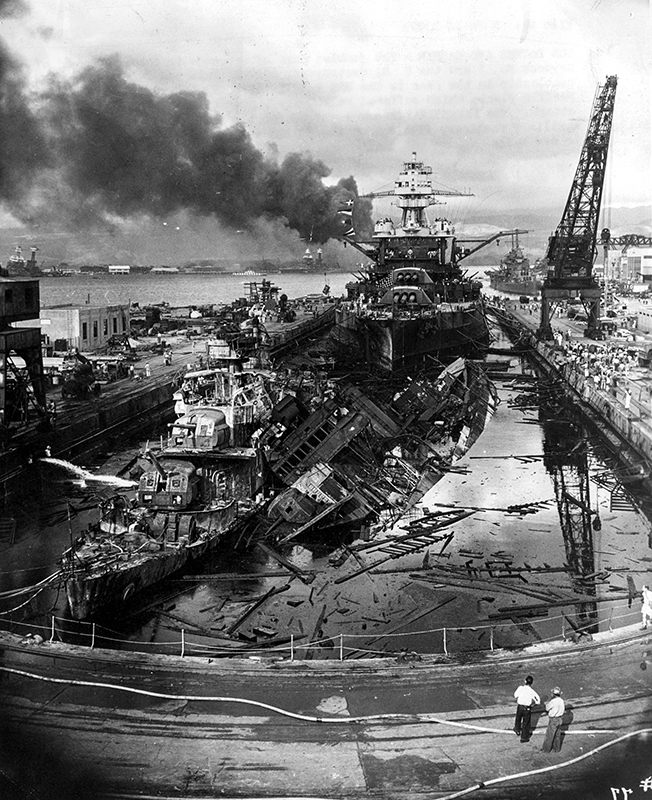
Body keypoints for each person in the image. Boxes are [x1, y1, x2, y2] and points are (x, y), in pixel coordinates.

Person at [513, 675, 540, 742]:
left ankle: (517, 729)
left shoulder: (520, 688)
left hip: (520, 706)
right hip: (527, 708)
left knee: (518, 718)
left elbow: (515, 695)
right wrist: (532, 706)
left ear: (525, 681)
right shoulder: (532, 691)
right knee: (526, 723)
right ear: (531, 683)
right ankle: (524, 737)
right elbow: (538, 701)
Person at [541, 687, 565, 752]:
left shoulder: (553, 701)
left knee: (549, 735)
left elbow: (547, 708)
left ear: (554, 694)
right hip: (560, 718)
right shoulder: (561, 701)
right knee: (557, 735)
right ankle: (557, 749)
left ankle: (546, 749)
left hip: (553, 719)